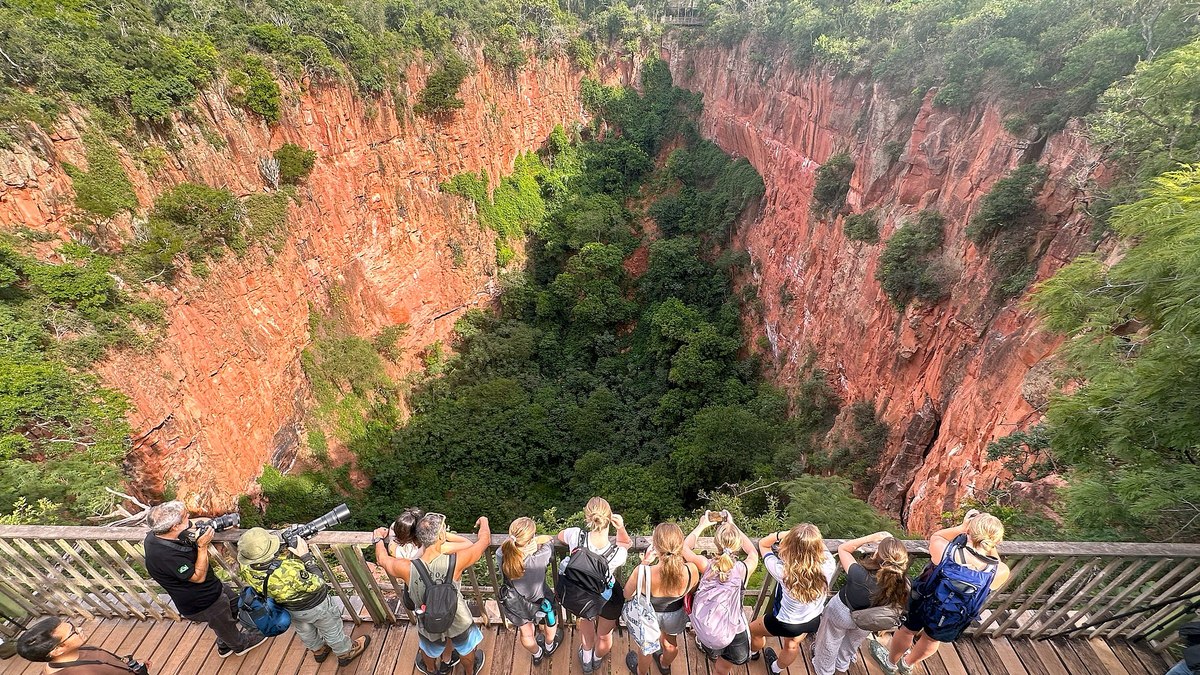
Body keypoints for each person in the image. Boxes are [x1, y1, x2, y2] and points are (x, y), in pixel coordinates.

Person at [874, 511, 1011, 675]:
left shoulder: (946, 552)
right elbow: (995, 562)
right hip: (952, 614)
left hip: (924, 599)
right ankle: (907, 663)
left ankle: (890, 664)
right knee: (932, 639)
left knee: (907, 630)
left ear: (969, 531)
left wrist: (962, 526)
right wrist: (991, 546)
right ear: (996, 541)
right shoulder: (1000, 571)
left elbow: (937, 536)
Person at [373, 513, 491, 675]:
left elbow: (381, 559)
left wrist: (378, 539)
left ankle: (430, 669)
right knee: (465, 648)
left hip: (427, 616)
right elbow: (484, 541)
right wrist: (484, 521)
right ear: (441, 535)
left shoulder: (406, 567)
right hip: (457, 616)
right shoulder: (456, 561)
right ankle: (469, 671)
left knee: (428, 648)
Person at [143, 501, 264, 658]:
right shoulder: (164, 556)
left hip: (212, 587)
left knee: (233, 605)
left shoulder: (157, 534)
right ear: (174, 527)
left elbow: (192, 523)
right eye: (185, 517)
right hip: (202, 601)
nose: (190, 518)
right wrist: (202, 546)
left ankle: (224, 643)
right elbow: (198, 578)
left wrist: (214, 523)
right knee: (224, 622)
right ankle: (239, 645)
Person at [236, 527, 370, 667]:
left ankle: (318, 650)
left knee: (305, 630)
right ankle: (345, 653)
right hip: (316, 606)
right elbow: (318, 583)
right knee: (331, 629)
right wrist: (306, 557)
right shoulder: (289, 570)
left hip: (289, 608)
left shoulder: (246, 568)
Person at [812, 532, 909, 675]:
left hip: (842, 613)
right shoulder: (904, 584)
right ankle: (842, 665)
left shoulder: (859, 574)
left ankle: (824, 670)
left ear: (878, 554)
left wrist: (870, 538)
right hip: (870, 618)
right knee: (852, 642)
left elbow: (843, 549)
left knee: (830, 641)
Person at [555, 497, 632, 673]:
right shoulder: (617, 554)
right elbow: (626, 543)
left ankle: (587, 658)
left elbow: (560, 536)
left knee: (586, 625)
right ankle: (597, 659)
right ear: (609, 518)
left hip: (582, 595)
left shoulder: (576, 535)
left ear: (587, 517)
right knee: (604, 636)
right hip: (606, 598)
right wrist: (620, 527)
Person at [749, 523, 837, 674]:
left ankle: (753, 654)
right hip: (811, 620)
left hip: (785, 621)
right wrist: (808, 536)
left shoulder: (783, 571)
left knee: (753, 631)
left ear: (791, 545)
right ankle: (775, 669)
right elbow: (820, 547)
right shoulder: (829, 564)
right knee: (791, 645)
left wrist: (782, 534)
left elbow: (763, 544)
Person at [682, 512, 759, 675]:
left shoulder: (705, 564)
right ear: (737, 545)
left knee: (713, 646)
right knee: (727, 663)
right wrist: (734, 526)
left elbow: (684, 547)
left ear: (716, 543)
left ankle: (709, 649)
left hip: (705, 625)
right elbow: (753, 552)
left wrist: (702, 525)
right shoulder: (743, 569)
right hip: (732, 627)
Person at [623, 522, 701, 675]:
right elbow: (692, 590)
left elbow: (627, 594)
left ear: (656, 548)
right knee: (671, 644)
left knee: (647, 648)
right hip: (675, 614)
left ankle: (641, 671)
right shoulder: (691, 570)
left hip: (648, 616)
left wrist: (645, 562)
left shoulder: (644, 572)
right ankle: (665, 665)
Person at [496, 517, 562, 665]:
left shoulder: (502, 554)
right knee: (551, 621)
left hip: (516, 605)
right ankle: (549, 646)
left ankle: (537, 653)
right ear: (530, 539)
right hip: (541, 600)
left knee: (526, 633)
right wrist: (537, 541)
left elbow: (506, 549)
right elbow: (549, 541)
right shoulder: (539, 557)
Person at [16, 616, 150, 674]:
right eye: (73, 631)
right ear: (57, 650)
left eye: (73, 625)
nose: (79, 629)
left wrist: (133, 665)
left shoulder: (73, 652)